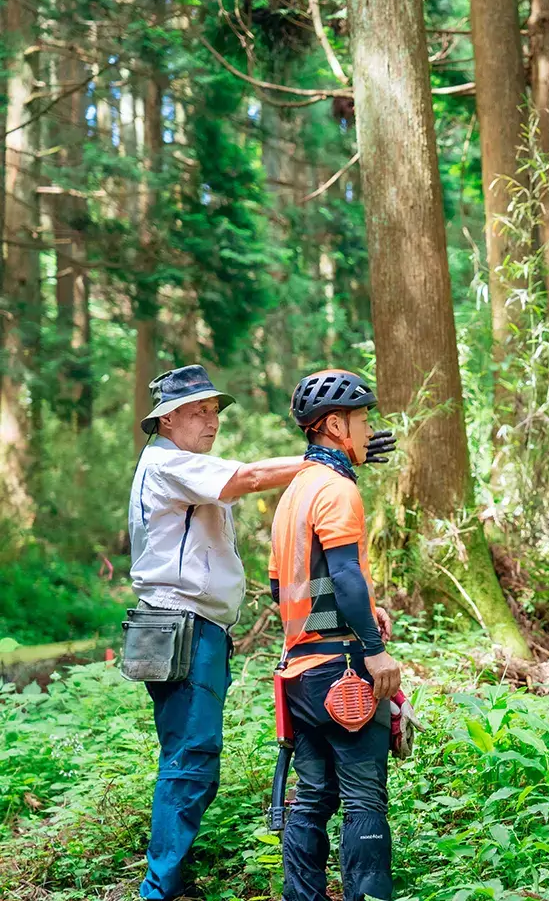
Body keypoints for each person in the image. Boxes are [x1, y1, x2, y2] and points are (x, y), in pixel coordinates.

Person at [129, 364, 308, 901]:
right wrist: (326, 459)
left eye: (213, 411)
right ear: (166, 420)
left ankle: (171, 878)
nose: (211, 421)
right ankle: (158, 889)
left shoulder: (181, 464)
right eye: (196, 411)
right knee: (192, 758)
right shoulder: (168, 463)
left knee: (189, 756)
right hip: (182, 625)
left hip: (190, 626)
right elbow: (248, 478)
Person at [269, 368, 400, 901]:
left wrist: (366, 610)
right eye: (363, 419)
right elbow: (344, 575)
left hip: (302, 671)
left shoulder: (296, 492)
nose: (370, 429)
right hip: (342, 671)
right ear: (334, 425)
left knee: (313, 798)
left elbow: (289, 586)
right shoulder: (337, 489)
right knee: (364, 797)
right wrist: (374, 649)